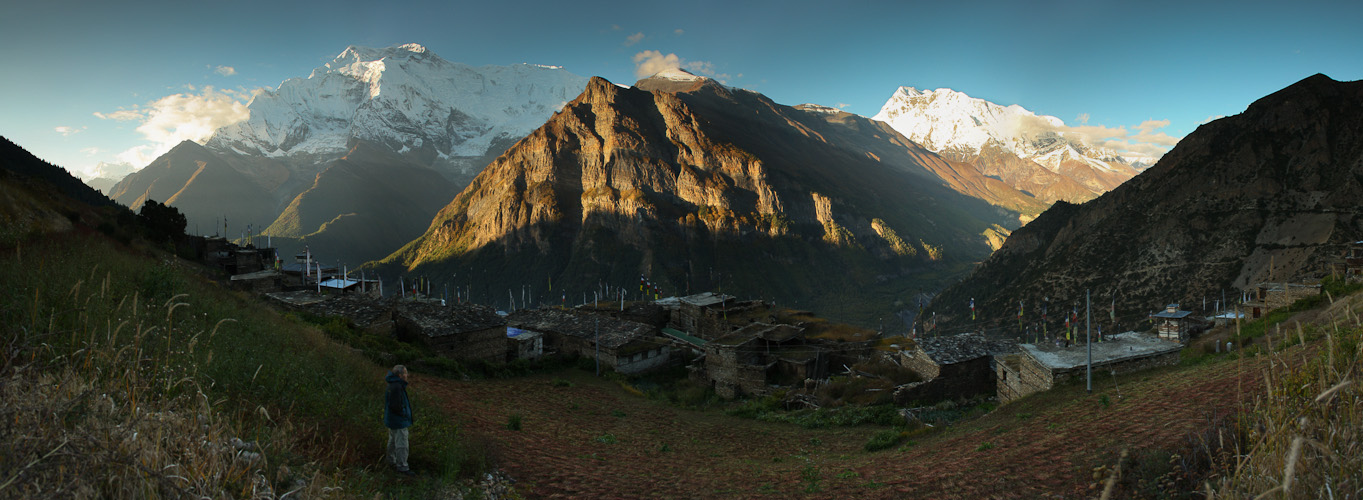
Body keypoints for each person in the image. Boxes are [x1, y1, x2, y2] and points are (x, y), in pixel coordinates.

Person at [384, 365, 415, 475]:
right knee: (402, 444)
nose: (407, 375)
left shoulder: (393, 385)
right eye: (406, 373)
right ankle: (402, 467)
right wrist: (404, 415)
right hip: (399, 421)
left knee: (392, 442)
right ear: (400, 375)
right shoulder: (397, 387)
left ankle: (391, 462)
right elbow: (396, 406)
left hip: (392, 420)